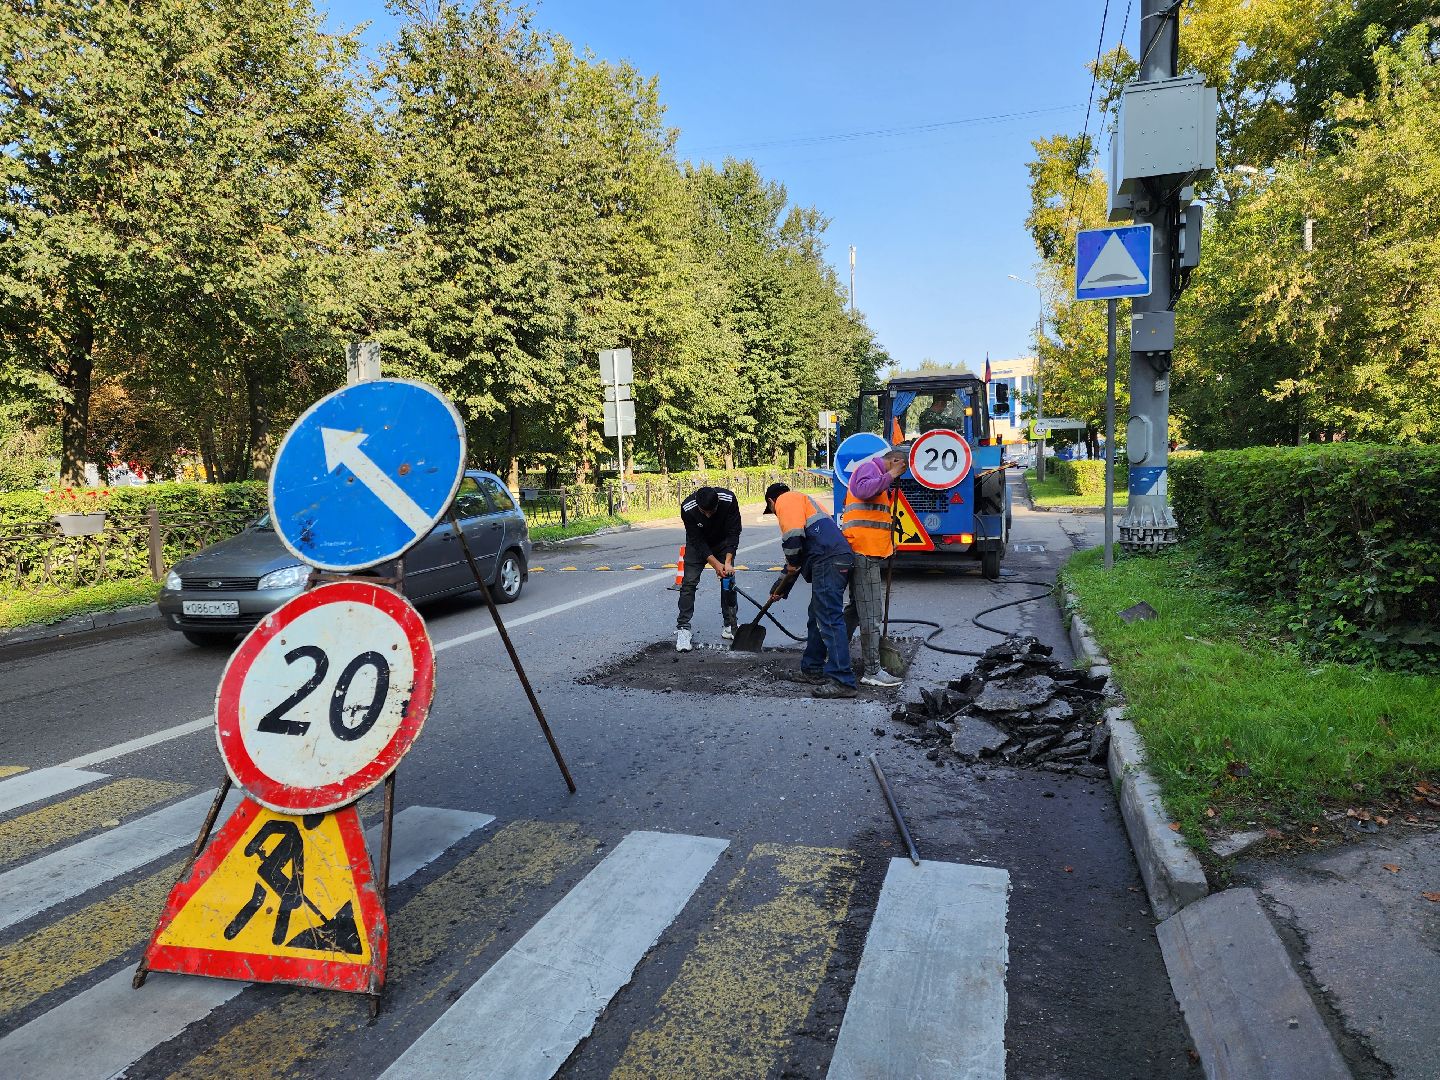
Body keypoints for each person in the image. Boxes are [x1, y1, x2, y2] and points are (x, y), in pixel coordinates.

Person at [764, 482, 856, 698]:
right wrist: (780, 589)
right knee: (817, 615)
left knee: (829, 619)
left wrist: (790, 567)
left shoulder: (786, 500)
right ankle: (813, 668)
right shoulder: (807, 504)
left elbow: (793, 543)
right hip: (834, 559)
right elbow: (794, 562)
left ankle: (843, 680)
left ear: (771, 501)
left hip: (828, 560)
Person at [841, 447, 908, 689]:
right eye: (901, 469)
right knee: (871, 613)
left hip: (867, 550)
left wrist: (889, 544)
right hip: (863, 551)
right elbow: (863, 490)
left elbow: (875, 517)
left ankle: (834, 654)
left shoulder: (878, 475)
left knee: (856, 611)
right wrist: (891, 475)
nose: (900, 475)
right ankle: (872, 670)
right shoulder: (870, 468)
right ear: (895, 461)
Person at [675, 485, 741, 652]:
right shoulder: (687, 508)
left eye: (712, 511)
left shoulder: (729, 500)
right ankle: (683, 629)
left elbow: (734, 532)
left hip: (723, 542)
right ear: (698, 505)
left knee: (728, 580)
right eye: (704, 512)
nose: (708, 515)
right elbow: (697, 541)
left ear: (717, 503)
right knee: (688, 583)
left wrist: (727, 561)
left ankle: (730, 625)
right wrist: (715, 564)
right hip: (697, 545)